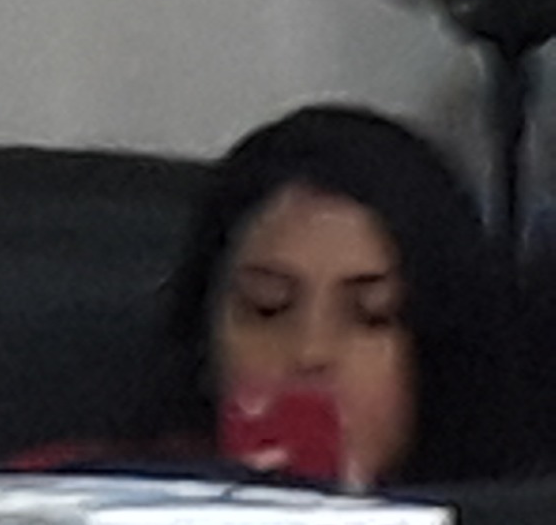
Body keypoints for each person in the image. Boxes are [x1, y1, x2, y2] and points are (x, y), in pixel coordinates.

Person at [141, 102, 535, 491]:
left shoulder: (526, 522)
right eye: (267, 307)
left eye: (372, 316)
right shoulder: (124, 507)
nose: (311, 353)